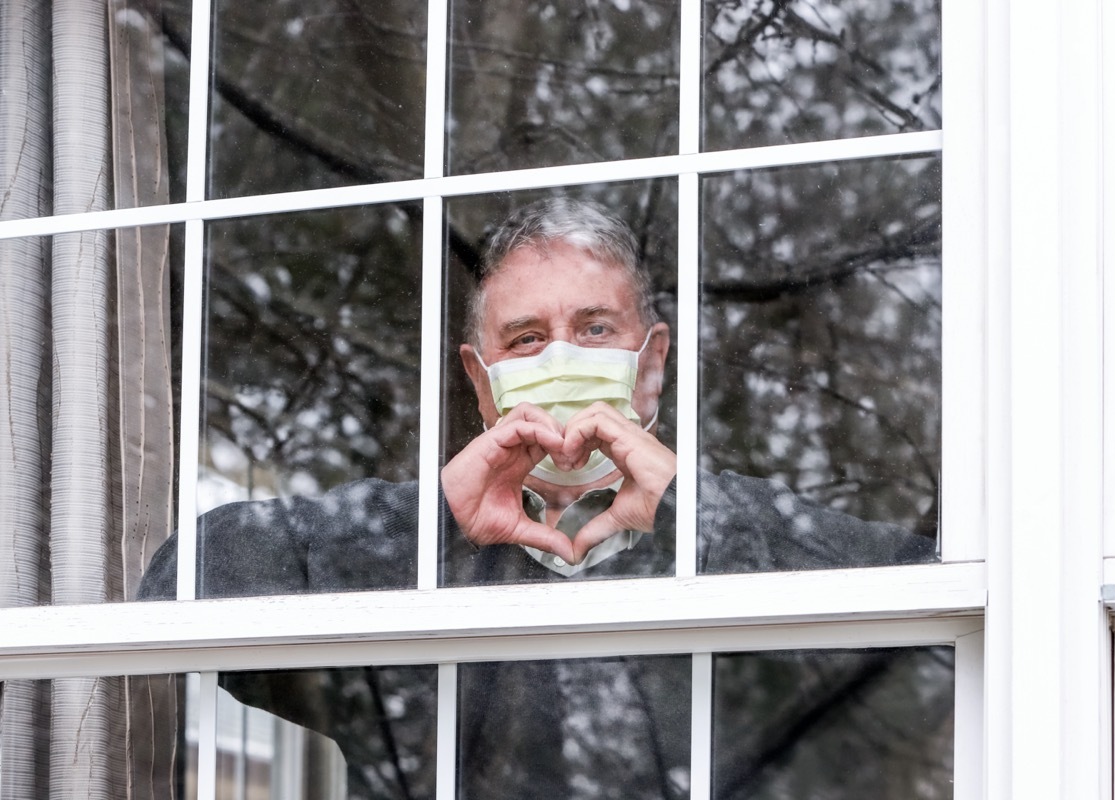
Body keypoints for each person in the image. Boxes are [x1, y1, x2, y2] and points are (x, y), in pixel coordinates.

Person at [137, 198, 942, 798]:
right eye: (526, 340)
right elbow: (177, 591)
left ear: (650, 363)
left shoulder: (736, 532)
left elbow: (936, 634)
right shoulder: (407, 550)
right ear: (481, 383)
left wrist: (696, 517)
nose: (560, 358)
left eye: (594, 330)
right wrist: (426, 524)